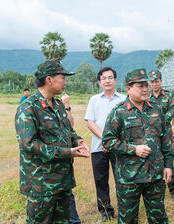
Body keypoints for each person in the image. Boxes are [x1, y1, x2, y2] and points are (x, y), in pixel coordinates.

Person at [14, 58, 90, 223]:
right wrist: (66, 152)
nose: (65, 82)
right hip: (42, 185)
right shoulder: (28, 108)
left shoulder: (58, 105)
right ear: (49, 79)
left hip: (63, 181)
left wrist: (78, 141)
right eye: (62, 78)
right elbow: (29, 144)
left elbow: (68, 131)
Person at [102, 68, 174, 224]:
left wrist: (168, 165)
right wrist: (134, 149)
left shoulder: (157, 110)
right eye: (140, 86)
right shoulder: (118, 112)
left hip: (155, 175)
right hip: (129, 178)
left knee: (159, 218)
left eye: (146, 85)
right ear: (128, 88)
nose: (145, 89)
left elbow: (166, 140)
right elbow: (107, 141)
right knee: (128, 219)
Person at [84, 67, 126, 222]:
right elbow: (90, 122)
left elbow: (126, 123)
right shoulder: (94, 100)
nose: (107, 81)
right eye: (104, 78)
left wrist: (112, 142)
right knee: (101, 180)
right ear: (99, 82)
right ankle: (106, 211)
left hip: (119, 147)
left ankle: (125, 209)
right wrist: (105, 140)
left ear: (115, 80)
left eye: (110, 77)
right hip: (98, 146)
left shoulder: (123, 99)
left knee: (121, 179)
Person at [148, 70, 174, 200]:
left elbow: (171, 111)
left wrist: (158, 121)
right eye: (152, 82)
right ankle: (155, 188)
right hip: (151, 134)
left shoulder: (168, 95)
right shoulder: (146, 96)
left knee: (168, 161)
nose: (154, 84)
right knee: (153, 160)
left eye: (156, 81)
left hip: (165, 133)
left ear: (161, 81)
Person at [61, 93, 81, 224]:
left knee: (67, 193)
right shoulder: (34, 106)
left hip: (65, 162)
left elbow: (70, 125)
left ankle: (74, 220)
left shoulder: (58, 105)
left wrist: (66, 106)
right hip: (50, 163)